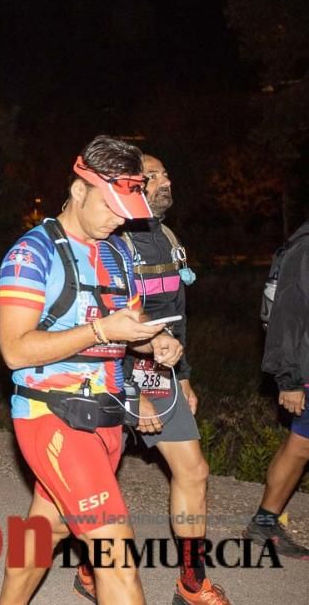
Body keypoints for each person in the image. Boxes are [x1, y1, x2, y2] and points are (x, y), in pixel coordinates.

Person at [0, 136, 183, 605]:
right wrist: (102, 331)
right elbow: (15, 351)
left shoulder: (118, 253)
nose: (121, 218)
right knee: (117, 565)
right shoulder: (30, 254)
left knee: (46, 529)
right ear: (79, 188)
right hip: (52, 417)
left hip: (107, 417)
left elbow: (130, 325)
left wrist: (153, 341)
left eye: (127, 208)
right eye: (111, 205)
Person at [68, 154, 229, 603]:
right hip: (111, 374)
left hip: (161, 371)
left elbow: (174, 319)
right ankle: (89, 569)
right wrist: (133, 393)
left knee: (194, 471)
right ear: (128, 184)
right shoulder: (112, 238)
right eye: (152, 175)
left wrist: (183, 375)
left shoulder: (167, 237)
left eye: (165, 172)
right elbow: (102, 320)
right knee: (97, 480)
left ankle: (191, 581)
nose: (165, 180)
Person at [244, 217, 309, 559]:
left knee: (301, 445)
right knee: (301, 447)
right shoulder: (305, 248)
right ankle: (265, 521)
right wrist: (289, 380)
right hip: (305, 365)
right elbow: (288, 314)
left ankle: (265, 521)